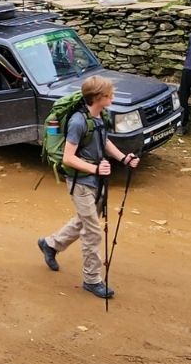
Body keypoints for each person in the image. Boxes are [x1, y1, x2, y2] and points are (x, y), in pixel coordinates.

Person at [37, 76, 140, 300]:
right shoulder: (77, 122)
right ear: (98, 98)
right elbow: (68, 158)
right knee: (93, 230)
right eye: (109, 94)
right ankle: (92, 279)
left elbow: (103, 141)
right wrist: (95, 170)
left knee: (85, 220)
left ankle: (50, 244)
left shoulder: (98, 116)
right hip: (80, 183)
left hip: (94, 180)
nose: (112, 97)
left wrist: (124, 159)